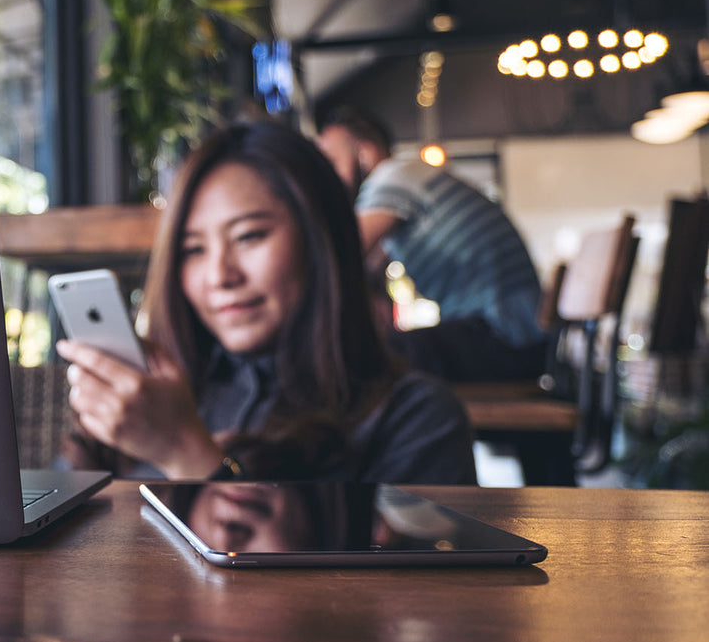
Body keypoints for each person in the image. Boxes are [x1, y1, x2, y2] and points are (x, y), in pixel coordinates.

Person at [57, 121, 475, 483]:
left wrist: (184, 452)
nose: (221, 276)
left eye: (249, 237)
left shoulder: (414, 419)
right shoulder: (158, 398)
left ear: (320, 240)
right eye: (193, 250)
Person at [315, 105, 546, 383]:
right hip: (517, 335)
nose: (326, 174)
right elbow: (370, 265)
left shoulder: (391, 177)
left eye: (331, 160)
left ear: (365, 152)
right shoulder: (409, 184)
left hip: (505, 336)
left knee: (369, 358)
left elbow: (342, 253)